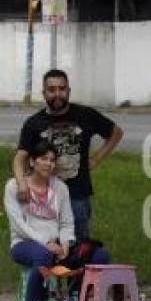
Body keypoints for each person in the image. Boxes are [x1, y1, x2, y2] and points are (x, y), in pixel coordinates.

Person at [5, 140, 109, 301]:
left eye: (52, 160)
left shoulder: (60, 188)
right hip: (25, 244)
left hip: (57, 246)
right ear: (32, 162)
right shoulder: (14, 187)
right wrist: (46, 243)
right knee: (42, 255)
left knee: (98, 254)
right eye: (44, 159)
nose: (49, 164)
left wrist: (67, 243)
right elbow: (19, 226)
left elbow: (67, 223)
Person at [15, 69, 124, 240]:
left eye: (62, 88)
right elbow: (20, 157)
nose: (57, 94)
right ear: (44, 93)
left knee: (79, 247)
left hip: (77, 194)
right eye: (51, 90)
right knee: (45, 244)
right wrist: (22, 184)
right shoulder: (33, 123)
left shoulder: (86, 115)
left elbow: (116, 133)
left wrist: (96, 158)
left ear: (68, 91)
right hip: (44, 196)